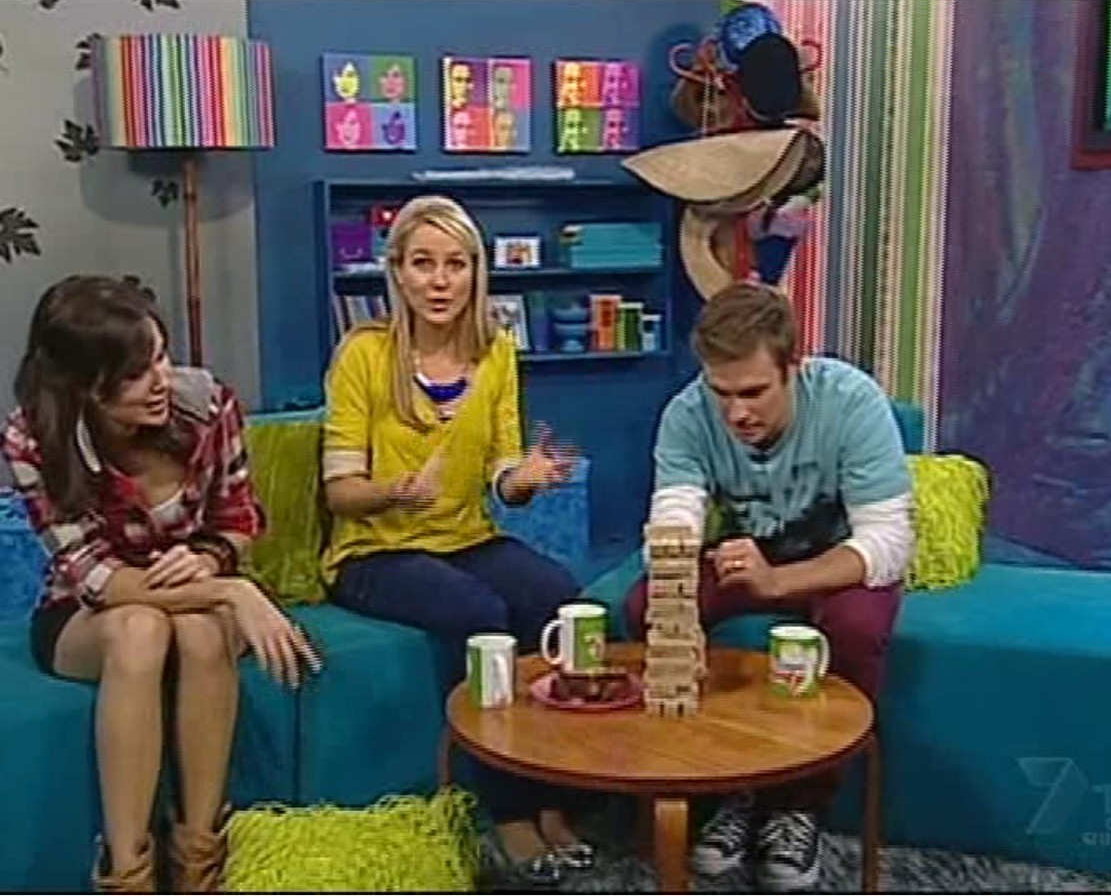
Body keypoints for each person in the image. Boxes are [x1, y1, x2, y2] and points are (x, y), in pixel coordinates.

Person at [1, 275, 321, 893]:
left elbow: (239, 520)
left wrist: (213, 560)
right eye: (135, 373)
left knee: (199, 633)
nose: (162, 380)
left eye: (162, 356)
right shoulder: (33, 437)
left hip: (200, 602)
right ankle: (128, 874)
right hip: (87, 614)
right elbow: (95, 578)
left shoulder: (208, 406)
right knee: (140, 630)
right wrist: (232, 591)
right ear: (84, 386)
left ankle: (200, 860)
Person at [320, 194, 594, 887]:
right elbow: (339, 491)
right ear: (397, 273)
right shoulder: (363, 354)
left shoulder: (496, 352)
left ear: (476, 273)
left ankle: (554, 794)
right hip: (372, 552)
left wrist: (523, 479)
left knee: (560, 598)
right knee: (480, 614)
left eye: (455, 264)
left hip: (465, 536)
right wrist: (395, 490)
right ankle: (508, 813)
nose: (440, 281)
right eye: (422, 264)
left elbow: (502, 472)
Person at [627, 281, 913, 892]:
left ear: (793, 367)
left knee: (857, 626)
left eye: (754, 392)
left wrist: (778, 581)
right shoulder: (686, 414)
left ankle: (798, 805)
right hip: (742, 557)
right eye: (721, 393)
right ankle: (723, 784)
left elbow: (888, 543)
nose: (737, 414)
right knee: (647, 603)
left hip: (832, 561)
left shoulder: (852, 402)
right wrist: (675, 566)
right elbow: (674, 512)